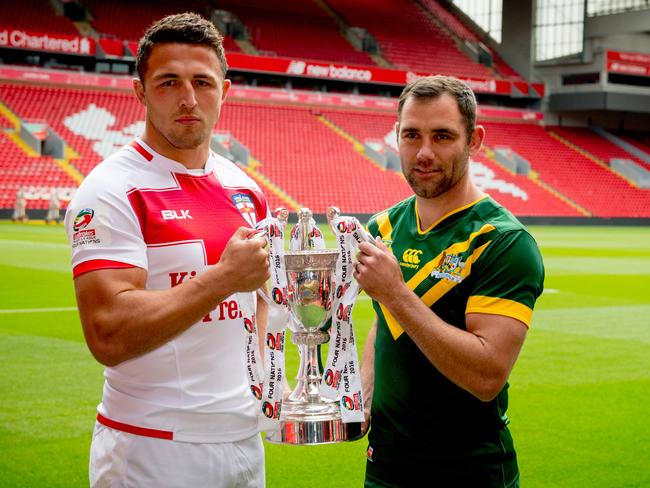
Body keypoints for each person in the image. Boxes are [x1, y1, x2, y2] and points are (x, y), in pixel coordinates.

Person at [64, 13, 271, 488]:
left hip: (242, 440)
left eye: (203, 81)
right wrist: (222, 278)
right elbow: (108, 333)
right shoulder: (112, 189)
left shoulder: (247, 189)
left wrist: (263, 385)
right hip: (152, 446)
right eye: (168, 82)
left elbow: (258, 304)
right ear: (140, 92)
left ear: (226, 90)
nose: (188, 98)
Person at [354, 75, 544, 487]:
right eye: (411, 135)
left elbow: (486, 376)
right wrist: (363, 393)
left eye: (442, 136)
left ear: (474, 140)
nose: (424, 152)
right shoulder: (383, 226)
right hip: (385, 467)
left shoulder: (502, 241)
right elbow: (384, 320)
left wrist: (397, 293)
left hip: (467, 471)